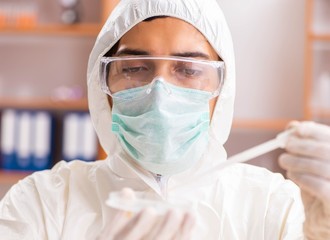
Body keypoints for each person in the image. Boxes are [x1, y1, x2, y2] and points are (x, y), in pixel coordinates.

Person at [1, 0, 330, 239]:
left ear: (222, 89)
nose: (160, 93)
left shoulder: (272, 205)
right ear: (101, 87)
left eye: (188, 70)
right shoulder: (43, 203)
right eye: (133, 68)